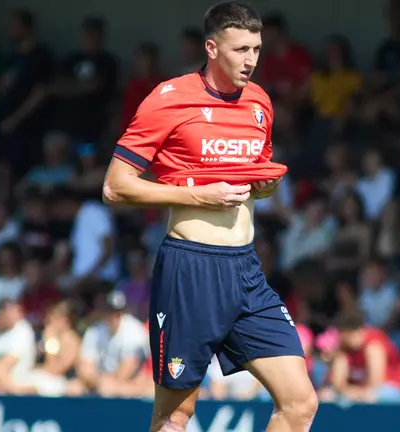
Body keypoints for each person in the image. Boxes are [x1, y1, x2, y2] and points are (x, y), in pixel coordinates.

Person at [102, 3, 317, 431]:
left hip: (246, 271)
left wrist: (265, 186)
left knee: (300, 402)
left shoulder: (260, 102)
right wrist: (197, 196)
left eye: (256, 49)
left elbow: (257, 171)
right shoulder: (170, 99)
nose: (251, 60)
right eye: (240, 49)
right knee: (174, 416)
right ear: (212, 48)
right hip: (190, 268)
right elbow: (115, 186)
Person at [324, 310, 400, 403]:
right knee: (326, 395)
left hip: (395, 388)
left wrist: (349, 393)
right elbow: (337, 385)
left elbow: (375, 384)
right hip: (360, 390)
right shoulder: (343, 348)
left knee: (370, 396)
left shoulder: (373, 345)